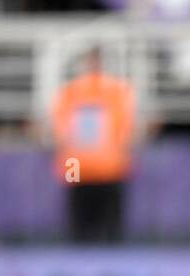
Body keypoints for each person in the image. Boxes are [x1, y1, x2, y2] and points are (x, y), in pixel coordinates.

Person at [50, 48, 136, 243]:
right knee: (79, 213)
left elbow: (124, 127)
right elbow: (61, 127)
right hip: (81, 162)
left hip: (105, 163)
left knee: (103, 217)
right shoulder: (75, 91)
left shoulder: (112, 91)